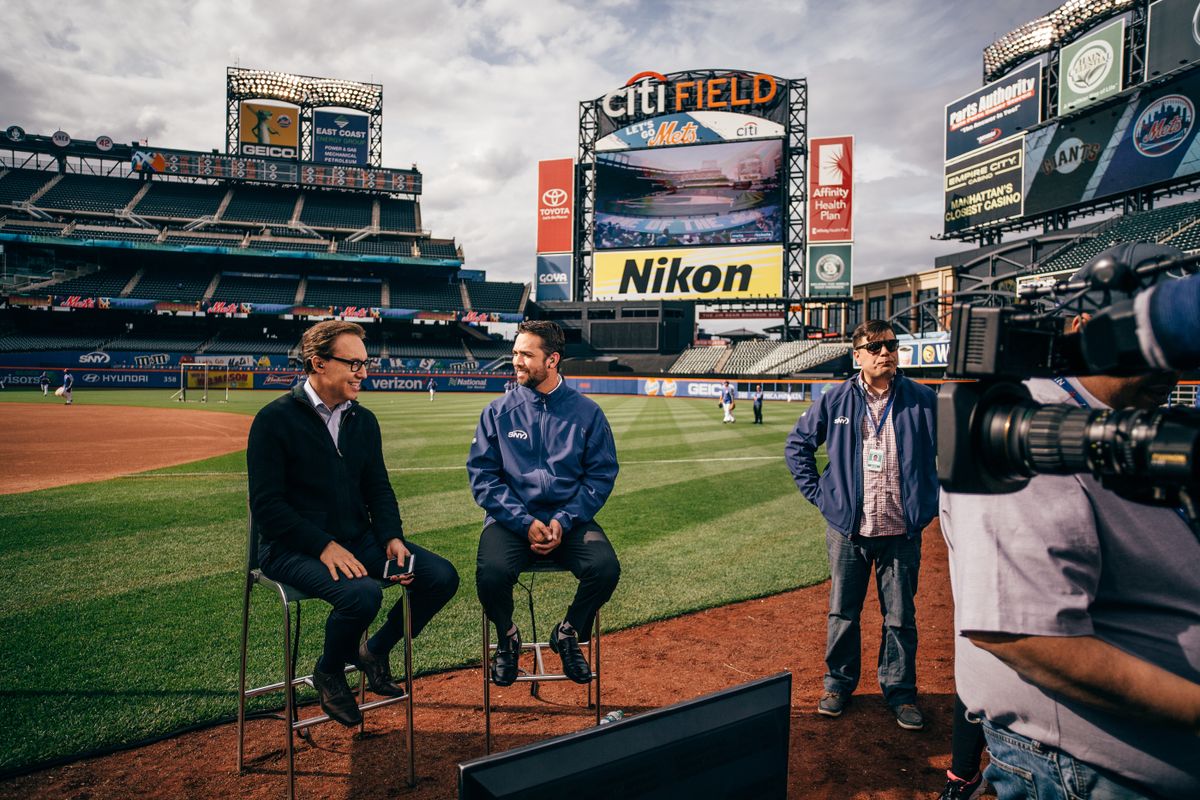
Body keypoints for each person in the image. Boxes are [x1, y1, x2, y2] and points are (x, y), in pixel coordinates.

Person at [941, 249, 1200, 799]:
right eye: (1145, 341)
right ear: (1088, 328)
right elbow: (1024, 636)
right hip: (1082, 776)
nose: (1168, 366)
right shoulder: (1025, 428)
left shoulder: (1135, 425)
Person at [247, 320, 460, 727]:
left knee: (439, 576)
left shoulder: (363, 420)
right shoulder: (273, 420)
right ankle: (328, 671)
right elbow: (267, 506)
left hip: (358, 539)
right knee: (362, 595)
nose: (364, 373)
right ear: (318, 364)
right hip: (289, 549)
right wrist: (324, 546)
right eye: (355, 364)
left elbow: (378, 489)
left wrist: (392, 537)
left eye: (366, 363)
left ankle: (374, 651)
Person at [784, 320, 938, 730]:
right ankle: (838, 684)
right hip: (849, 529)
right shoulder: (836, 400)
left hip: (901, 530)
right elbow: (797, 445)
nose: (885, 352)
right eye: (875, 347)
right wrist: (822, 497)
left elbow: (951, 454)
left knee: (901, 617)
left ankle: (901, 692)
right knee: (842, 613)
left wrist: (929, 501)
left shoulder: (922, 398)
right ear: (858, 355)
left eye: (891, 345)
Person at [468, 320, 621, 686]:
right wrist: (523, 521)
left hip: (569, 521)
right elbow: (483, 478)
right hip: (510, 522)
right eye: (515, 352)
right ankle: (506, 638)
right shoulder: (497, 411)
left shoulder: (588, 413)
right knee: (490, 574)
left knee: (605, 568)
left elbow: (600, 476)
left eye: (525, 354)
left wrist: (564, 520)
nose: (516, 361)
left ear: (552, 360)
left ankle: (568, 633)